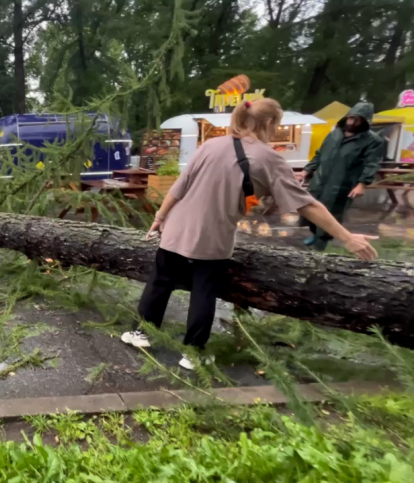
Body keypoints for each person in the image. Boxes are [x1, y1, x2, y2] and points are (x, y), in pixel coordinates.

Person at [121, 98, 378, 371]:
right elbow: (308, 204)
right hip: (215, 237)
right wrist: (347, 238)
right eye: (277, 124)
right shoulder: (270, 158)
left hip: (176, 227)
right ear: (268, 122)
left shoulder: (209, 145)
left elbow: (178, 188)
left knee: (160, 282)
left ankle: (141, 334)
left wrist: (159, 218)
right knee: (203, 292)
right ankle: (192, 354)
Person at [299, 103, 384, 250]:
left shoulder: (372, 141)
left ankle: (321, 244)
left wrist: (362, 184)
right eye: (351, 118)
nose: (353, 122)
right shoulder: (334, 134)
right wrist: (306, 171)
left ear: (365, 121)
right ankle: (314, 235)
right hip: (320, 180)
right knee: (312, 208)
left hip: (342, 183)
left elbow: (371, 164)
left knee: (332, 212)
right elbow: (319, 155)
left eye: (358, 120)